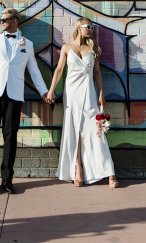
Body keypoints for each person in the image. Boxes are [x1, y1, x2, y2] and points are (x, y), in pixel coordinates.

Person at [0, 8, 49, 195]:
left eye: (5, 19)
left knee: (11, 138)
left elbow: (33, 71)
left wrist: (44, 92)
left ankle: (7, 179)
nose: (2, 22)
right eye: (1, 19)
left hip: (14, 95)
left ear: (15, 21)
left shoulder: (27, 44)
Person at [47, 17, 119, 187]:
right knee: (75, 131)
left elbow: (98, 74)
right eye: (88, 26)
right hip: (71, 95)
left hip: (89, 94)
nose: (91, 29)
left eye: (92, 27)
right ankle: (77, 168)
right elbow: (58, 70)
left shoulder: (93, 49)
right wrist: (51, 91)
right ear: (79, 28)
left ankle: (109, 171)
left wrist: (101, 94)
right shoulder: (66, 48)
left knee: (97, 131)